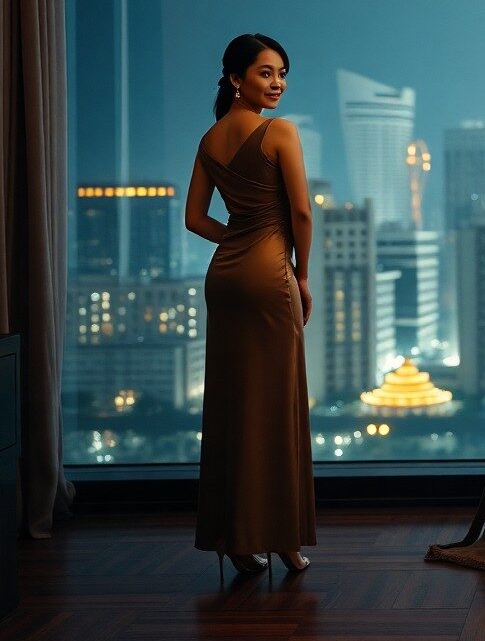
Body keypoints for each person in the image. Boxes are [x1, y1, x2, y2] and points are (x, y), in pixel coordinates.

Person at [185, 33, 316, 583]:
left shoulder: (210, 139)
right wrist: (301, 275)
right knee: (279, 406)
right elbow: (303, 214)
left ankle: (234, 539)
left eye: (282, 73)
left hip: (227, 277)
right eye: (266, 73)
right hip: (270, 281)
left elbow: (195, 219)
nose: (278, 82)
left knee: (233, 407)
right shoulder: (278, 132)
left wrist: (239, 238)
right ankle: (282, 538)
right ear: (236, 78)